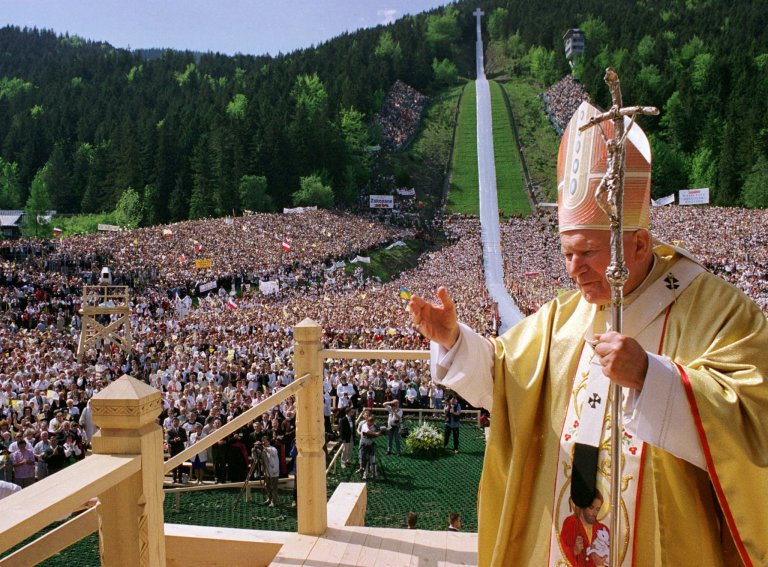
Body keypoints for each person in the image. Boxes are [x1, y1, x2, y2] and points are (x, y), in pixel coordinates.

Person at [409, 100, 768, 565]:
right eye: (566, 253)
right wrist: (454, 340)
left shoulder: (716, 308)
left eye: (589, 253)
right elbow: (504, 377)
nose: (574, 271)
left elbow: (753, 416)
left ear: (638, 243)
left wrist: (652, 377)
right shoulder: (566, 315)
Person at [559, 490, 609, 567]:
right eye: (591, 507)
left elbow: (612, 558)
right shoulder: (570, 523)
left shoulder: (603, 529)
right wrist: (575, 550)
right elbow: (560, 552)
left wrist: (602, 562)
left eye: (597, 509)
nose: (594, 513)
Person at [259, 436, 280, 507]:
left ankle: (274, 502)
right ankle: (269, 499)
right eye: (263, 442)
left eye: (265, 441)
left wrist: (265, 449)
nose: (264, 443)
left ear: (268, 442)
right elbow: (258, 458)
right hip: (266, 472)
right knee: (267, 486)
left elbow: (274, 453)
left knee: (273, 487)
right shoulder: (263, 450)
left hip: (274, 471)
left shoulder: (273, 448)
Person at [359, 414, 381, 481]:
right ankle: (365, 475)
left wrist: (381, 432)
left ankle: (374, 475)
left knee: (373, 460)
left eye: (372, 421)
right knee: (365, 460)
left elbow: (378, 432)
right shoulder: (364, 425)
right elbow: (367, 432)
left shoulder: (374, 426)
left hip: (371, 444)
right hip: (364, 445)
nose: (370, 423)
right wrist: (376, 434)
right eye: (369, 421)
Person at [166, 417, 187, 483]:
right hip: (173, 449)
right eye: (174, 422)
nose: (176, 423)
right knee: (174, 464)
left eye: (177, 422)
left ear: (178, 422)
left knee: (180, 464)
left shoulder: (182, 430)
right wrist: (174, 440)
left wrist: (180, 439)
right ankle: (174, 479)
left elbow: (185, 439)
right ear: (172, 423)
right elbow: (168, 440)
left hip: (180, 449)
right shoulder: (169, 431)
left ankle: (180, 479)